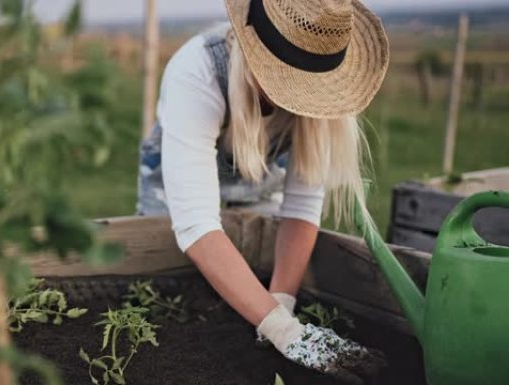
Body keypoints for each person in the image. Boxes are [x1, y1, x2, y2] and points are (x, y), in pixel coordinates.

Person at [136, 0, 389, 381]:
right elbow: (195, 224)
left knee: (259, 275)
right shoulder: (198, 72)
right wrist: (284, 332)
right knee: (164, 285)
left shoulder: (319, 103)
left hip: (260, 180)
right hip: (173, 188)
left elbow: (302, 205)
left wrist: (281, 305)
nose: (295, 100)